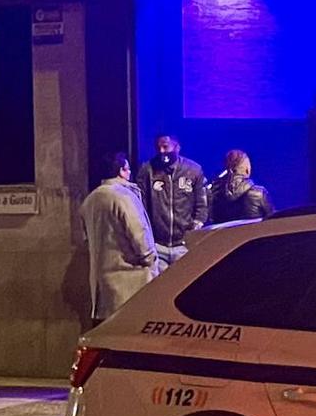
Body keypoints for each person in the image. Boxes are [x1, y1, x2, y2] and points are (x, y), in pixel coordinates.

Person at [80, 153, 158, 327]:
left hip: (102, 287)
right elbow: (139, 234)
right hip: (130, 285)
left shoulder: (89, 201)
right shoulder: (124, 197)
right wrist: (150, 260)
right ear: (122, 171)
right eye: (128, 169)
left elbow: (85, 239)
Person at [136, 135, 208, 268]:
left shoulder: (193, 170)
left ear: (177, 147)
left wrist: (194, 229)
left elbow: (202, 205)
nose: (162, 151)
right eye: (159, 148)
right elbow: (141, 206)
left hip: (184, 245)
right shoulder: (148, 170)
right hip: (157, 246)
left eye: (165, 147)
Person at [209, 149, 274, 224]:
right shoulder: (259, 193)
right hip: (253, 235)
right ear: (247, 170)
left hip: (225, 235)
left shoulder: (213, 195)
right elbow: (271, 221)